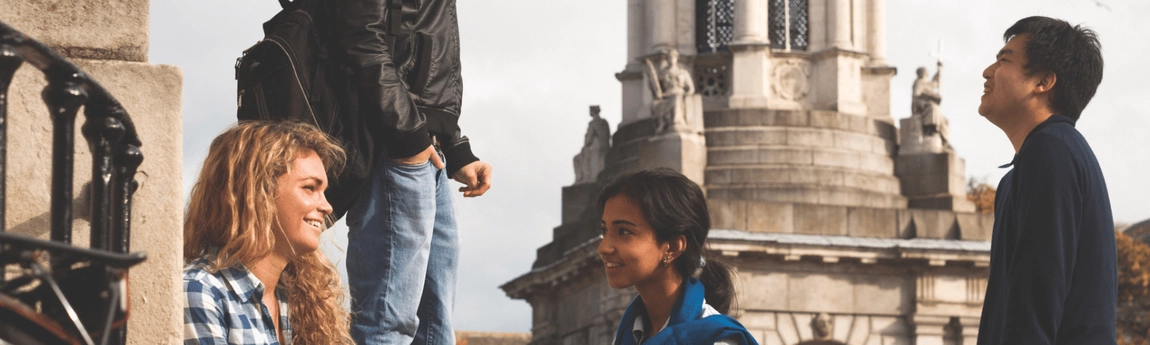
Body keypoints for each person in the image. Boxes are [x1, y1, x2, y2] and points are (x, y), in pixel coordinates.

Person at [333, 0, 493, 343]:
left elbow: (425, 50)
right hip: (396, 145)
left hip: (424, 147)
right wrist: (409, 136)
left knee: (436, 325)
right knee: (387, 323)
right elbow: (361, 37)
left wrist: (454, 145)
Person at [976, 16, 1114, 345]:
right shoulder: (1029, 168)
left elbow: (1034, 310)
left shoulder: (1052, 153)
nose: (988, 71)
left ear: (1043, 81)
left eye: (1004, 59)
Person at [183, 121, 353, 345]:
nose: (327, 207)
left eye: (323, 192)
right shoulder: (201, 293)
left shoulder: (302, 301)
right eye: (310, 188)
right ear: (258, 193)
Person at [597, 168, 758, 345]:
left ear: (673, 247)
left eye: (624, 232)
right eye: (605, 231)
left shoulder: (716, 341)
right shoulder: (626, 337)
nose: (604, 248)